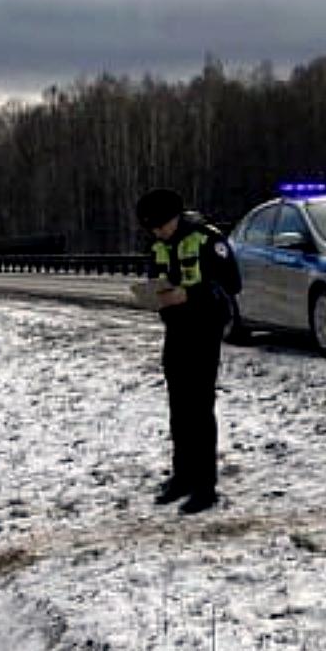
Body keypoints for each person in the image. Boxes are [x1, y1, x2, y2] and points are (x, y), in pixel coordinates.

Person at [135, 188, 242, 515]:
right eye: (151, 228)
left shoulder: (208, 239)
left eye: (160, 226)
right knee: (179, 406)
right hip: (176, 329)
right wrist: (155, 295)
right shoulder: (157, 244)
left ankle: (205, 486)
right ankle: (181, 476)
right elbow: (155, 278)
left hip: (204, 329)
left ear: (174, 218)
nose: (156, 233)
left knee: (200, 406)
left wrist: (190, 295)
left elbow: (232, 284)